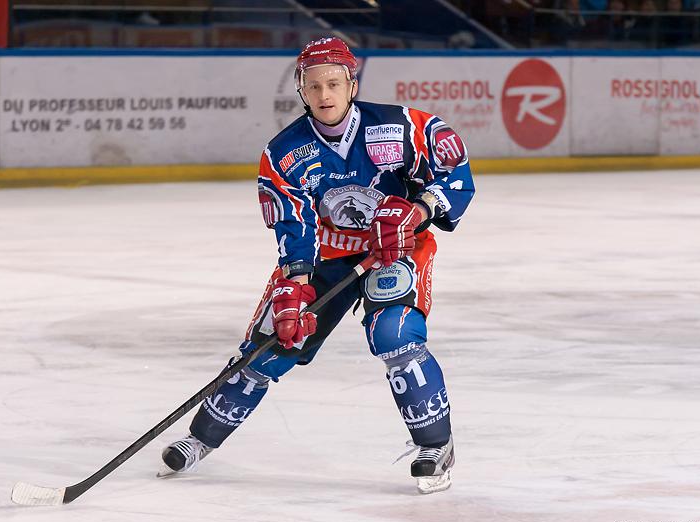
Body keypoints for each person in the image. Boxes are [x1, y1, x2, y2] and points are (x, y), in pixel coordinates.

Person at [159, 37, 475, 494]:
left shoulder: (404, 127)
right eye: (314, 86)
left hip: (395, 248)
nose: (324, 94)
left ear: (352, 85)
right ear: (301, 90)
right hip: (325, 254)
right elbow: (294, 222)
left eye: (333, 83)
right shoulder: (284, 152)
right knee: (271, 343)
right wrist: (296, 283)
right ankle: (201, 438)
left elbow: (455, 173)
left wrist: (418, 210)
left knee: (395, 335)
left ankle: (435, 446)